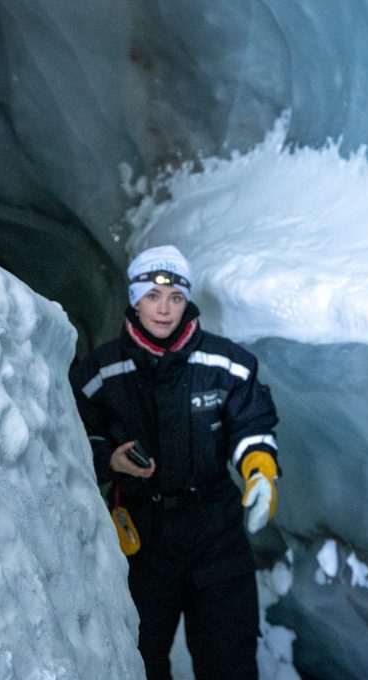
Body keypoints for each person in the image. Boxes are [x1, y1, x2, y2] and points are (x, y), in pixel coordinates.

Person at [70, 245, 280, 680]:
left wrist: (259, 469)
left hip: (215, 531)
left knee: (230, 663)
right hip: (141, 537)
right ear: (134, 299)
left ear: (187, 301)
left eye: (175, 298)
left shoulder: (227, 364)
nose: (164, 310)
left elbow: (251, 424)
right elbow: (70, 435)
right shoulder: (100, 372)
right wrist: (109, 458)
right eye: (152, 297)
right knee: (141, 661)